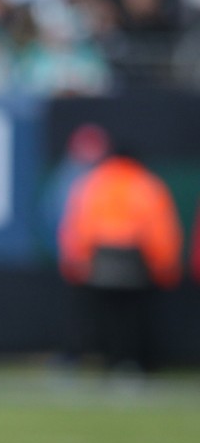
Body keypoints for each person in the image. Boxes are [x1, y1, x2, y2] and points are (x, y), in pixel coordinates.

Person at [57, 148, 183, 372]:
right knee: (131, 315)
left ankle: (86, 358)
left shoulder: (93, 182)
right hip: (133, 261)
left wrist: (76, 259)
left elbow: (77, 224)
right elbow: (160, 230)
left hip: (99, 260)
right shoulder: (147, 185)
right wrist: (164, 264)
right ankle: (127, 361)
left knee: (97, 313)